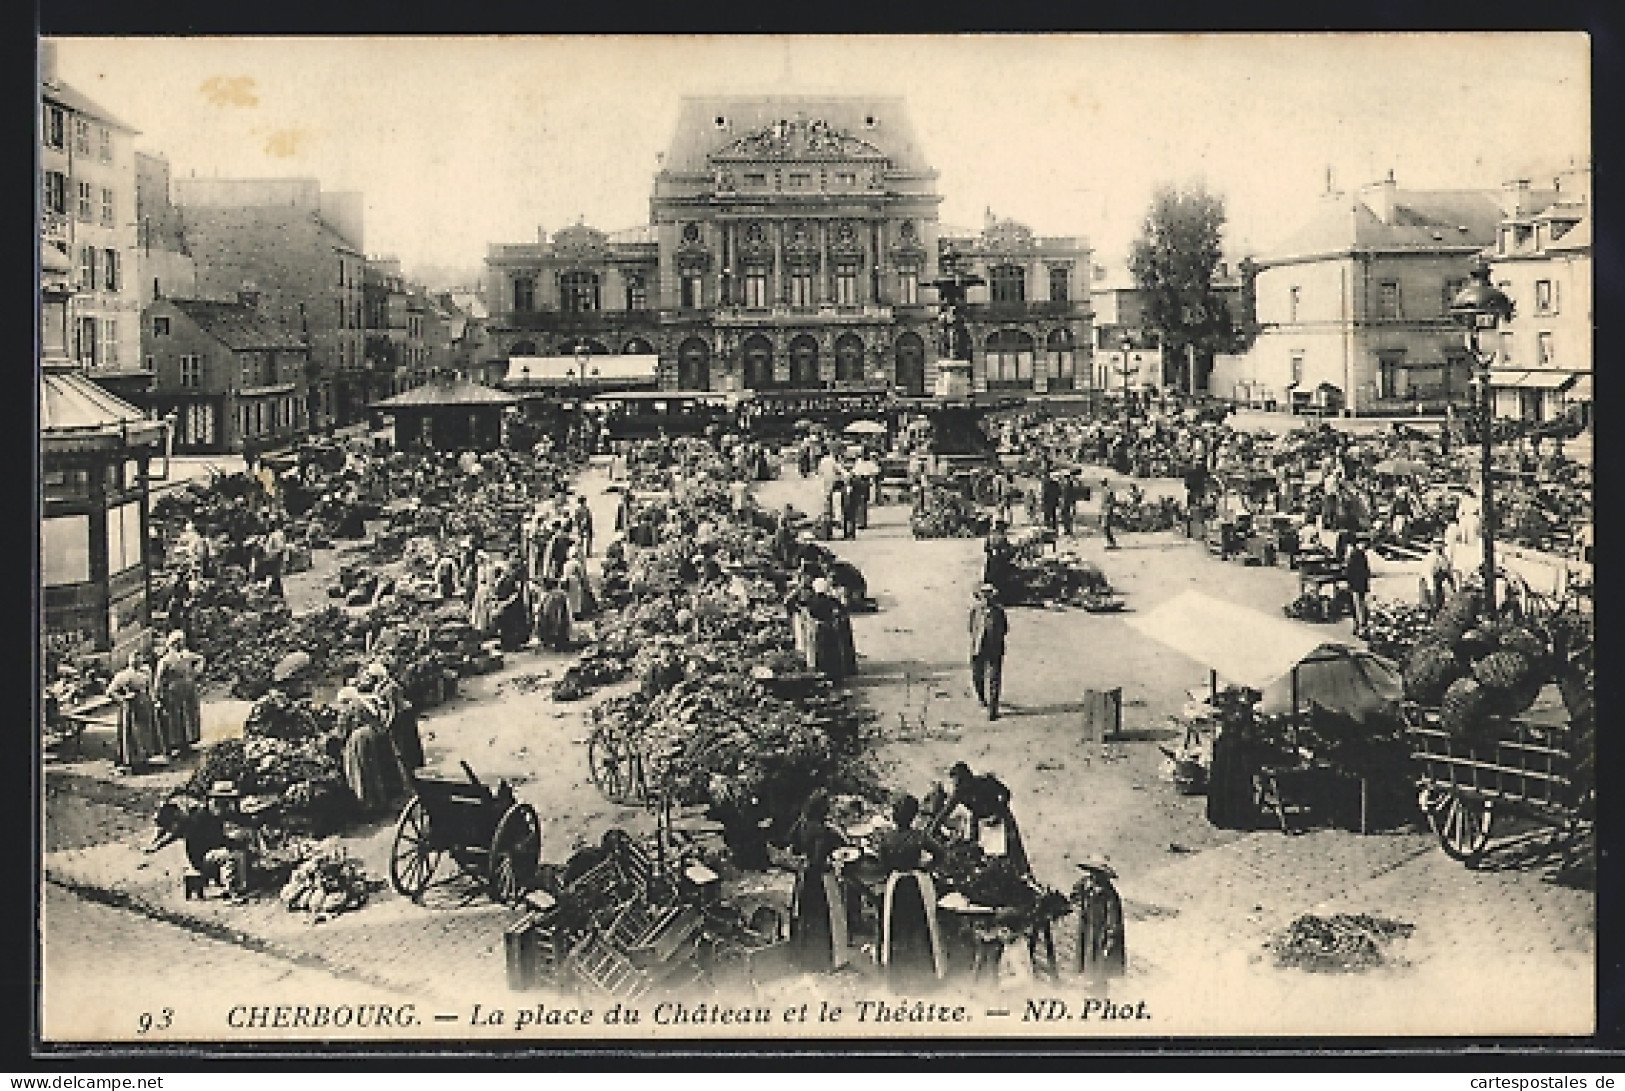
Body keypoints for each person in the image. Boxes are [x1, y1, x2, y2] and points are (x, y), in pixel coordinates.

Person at [875, 793, 948, 990]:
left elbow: (882, 866)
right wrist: (926, 867)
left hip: (896, 884)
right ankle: (923, 976)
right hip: (916, 885)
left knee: (896, 929)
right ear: (913, 816)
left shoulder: (887, 838)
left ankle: (898, 977)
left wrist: (893, 869)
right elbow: (941, 853)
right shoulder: (919, 836)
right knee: (919, 928)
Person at [785, 791, 849, 973]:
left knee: (804, 916)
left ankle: (802, 958)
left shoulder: (801, 824)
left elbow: (792, 845)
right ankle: (824, 960)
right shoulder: (822, 830)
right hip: (820, 880)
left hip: (803, 878)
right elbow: (818, 860)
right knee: (825, 918)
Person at [933, 761, 1029, 876]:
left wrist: (998, 812)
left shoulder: (986, 782)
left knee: (1012, 850)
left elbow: (1005, 793)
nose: (957, 785)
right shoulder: (960, 792)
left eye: (959, 781)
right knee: (977, 848)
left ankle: (1019, 872)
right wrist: (932, 829)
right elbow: (945, 812)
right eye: (956, 783)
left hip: (999, 817)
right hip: (980, 821)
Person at [337, 685, 401, 814]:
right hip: (374, 736)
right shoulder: (367, 702)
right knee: (376, 769)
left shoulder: (349, 709)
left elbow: (342, 732)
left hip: (360, 740)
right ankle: (383, 799)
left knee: (361, 770)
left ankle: (369, 804)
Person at [107, 650, 163, 773]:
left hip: (145, 705)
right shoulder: (123, 675)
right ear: (130, 661)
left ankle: (145, 757)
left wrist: (154, 701)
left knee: (146, 731)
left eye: (140, 659)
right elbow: (110, 692)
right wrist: (122, 699)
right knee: (133, 733)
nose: (137, 662)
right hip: (131, 708)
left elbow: (150, 689)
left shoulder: (146, 672)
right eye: (134, 659)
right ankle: (132, 760)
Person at [363, 660, 424, 773]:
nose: (369, 679)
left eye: (371, 677)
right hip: (398, 713)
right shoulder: (381, 686)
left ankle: (408, 767)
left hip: (402, 715)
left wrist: (387, 724)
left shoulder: (390, 688)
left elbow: (393, 708)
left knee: (403, 742)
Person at [1073, 860, 1126, 985]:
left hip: (1101, 933)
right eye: (1092, 873)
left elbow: (1113, 920)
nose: (1093, 876)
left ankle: (1098, 990)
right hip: (1088, 929)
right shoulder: (1087, 887)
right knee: (1087, 957)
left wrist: (1110, 938)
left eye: (1097, 874)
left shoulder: (1110, 895)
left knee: (1100, 964)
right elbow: (1075, 895)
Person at [152, 630, 204, 756]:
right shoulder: (165, 660)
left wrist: (195, 672)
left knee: (188, 715)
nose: (182, 643)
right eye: (180, 641)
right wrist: (157, 696)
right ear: (174, 643)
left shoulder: (186, 655)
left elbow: (200, 659)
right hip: (173, 692)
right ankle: (176, 744)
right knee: (175, 718)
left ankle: (188, 742)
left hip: (188, 690)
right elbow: (158, 679)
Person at [969, 583, 1009, 721]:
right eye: (983, 595)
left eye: (989, 594)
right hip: (978, 649)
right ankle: (981, 697)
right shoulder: (975, 611)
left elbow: (1004, 629)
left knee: (994, 679)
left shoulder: (999, 612)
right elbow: (971, 628)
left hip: (994, 649)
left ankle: (993, 710)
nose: (986, 598)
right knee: (977, 676)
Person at [534, 578, 573, 652]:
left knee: (555, 625)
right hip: (561, 619)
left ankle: (552, 640)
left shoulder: (550, 596)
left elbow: (546, 610)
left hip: (553, 619)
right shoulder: (562, 594)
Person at [1345, 534, 1372, 638]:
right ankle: (1360, 627)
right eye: (1363, 543)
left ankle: (1359, 627)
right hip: (1357, 584)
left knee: (1360, 605)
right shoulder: (1357, 554)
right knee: (1358, 606)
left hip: (1359, 584)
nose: (1365, 546)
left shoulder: (1358, 554)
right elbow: (1352, 571)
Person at [561, 547, 595, 620]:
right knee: (576, 598)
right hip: (574, 581)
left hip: (566, 581)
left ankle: (570, 613)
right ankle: (576, 614)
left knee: (569, 598)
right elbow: (581, 575)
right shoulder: (577, 564)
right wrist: (585, 583)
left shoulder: (566, 564)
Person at [982, 520, 1014, 599]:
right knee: (1001, 577)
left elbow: (985, 548)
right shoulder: (1001, 537)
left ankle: (990, 594)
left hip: (990, 560)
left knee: (989, 577)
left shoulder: (990, 535)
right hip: (999, 561)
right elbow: (1008, 549)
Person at [1423, 537, 1455, 615]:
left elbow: (1448, 573)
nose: (1440, 549)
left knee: (1440, 602)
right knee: (1430, 603)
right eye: (1437, 547)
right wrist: (1431, 587)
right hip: (1428, 581)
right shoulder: (1431, 557)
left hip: (1439, 583)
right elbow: (1428, 573)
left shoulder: (1445, 558)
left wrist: (1453, 586)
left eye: (1441, 547)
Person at [1099, 477, 1119, 549]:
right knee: (1105, 527)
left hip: (1107, 510)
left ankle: (1112, 543)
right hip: (1105, 510)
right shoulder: (1105, 491)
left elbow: (1112, 501)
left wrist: (1109, 507)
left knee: (1106, 527)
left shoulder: (1108, 491)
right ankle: (1111, 542)